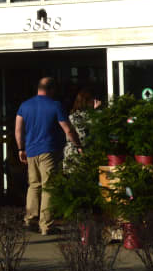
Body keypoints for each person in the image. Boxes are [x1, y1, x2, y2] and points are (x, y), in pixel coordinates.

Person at [15, 76, 83, 235]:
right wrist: (78, 145)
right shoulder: (55, 105)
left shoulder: (25, 106)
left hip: (31, 151)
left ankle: (30, 219)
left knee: (34, 185)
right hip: (49, 151)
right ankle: (46, 225)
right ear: (52, 90)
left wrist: (21, 149)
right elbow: (68, 129)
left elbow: (18, 129)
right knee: (49, 187)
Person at [63, 86, 102, 162]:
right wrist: (97, 110)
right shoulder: (95, 116)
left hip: (72, 153)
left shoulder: (71, 117)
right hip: (88, 153)